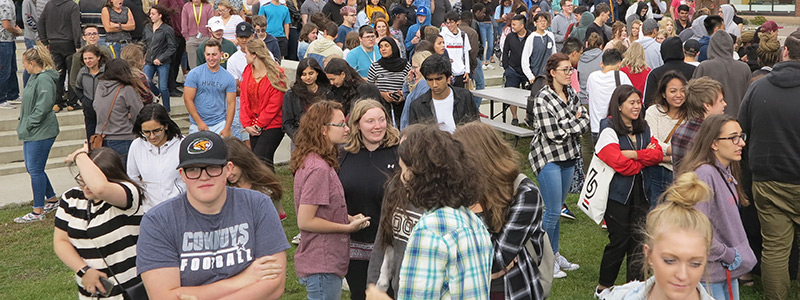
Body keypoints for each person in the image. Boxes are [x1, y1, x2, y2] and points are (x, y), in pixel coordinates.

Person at [137, 130, 289, 299]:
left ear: (228, 169)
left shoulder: (258, 205)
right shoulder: (158, 221)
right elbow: (163, 296)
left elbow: (274, 285)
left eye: (212, 168)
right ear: (182, 175)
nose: (203, 177)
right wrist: (242, 280)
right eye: (193, 170)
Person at [364, 123, 491, 300]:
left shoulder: (429, 230)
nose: (402, 177)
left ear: (422, 175)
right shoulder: (472, 221)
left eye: (405, 169)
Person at [738, 32, 800, 300]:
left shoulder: (757, 87)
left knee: (775, 248)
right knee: (775, 249)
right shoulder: (758, 88)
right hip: (774, 177)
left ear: (784, 52)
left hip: (768, 178)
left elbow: (741, 130)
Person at [455, 121, 548, 298]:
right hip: (467, 289)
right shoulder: (460, 189)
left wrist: (474, 210)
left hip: (510, 289)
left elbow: (496, 260)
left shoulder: (525, 194)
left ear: (478, 159)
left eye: (459, 158)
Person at [290, 100, 371, 298]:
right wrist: (347, 228)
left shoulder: (318, 161)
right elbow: (306, 220)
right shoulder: (318, 168)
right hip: (322, 264)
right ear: (323, 130)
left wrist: (349, 217)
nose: (346, 128)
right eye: (340, 124)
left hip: (324, 263)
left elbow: (322, 209)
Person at [598, 172, 715, 300]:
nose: (682, 275)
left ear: (706, 258)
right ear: (649, 255)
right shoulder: (619, 297)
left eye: (695, 263)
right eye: (670, 261)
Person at [593, 85, 663, 297]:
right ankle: (603, 288)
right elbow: (621, 165)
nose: (636, 106)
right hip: (617, 196)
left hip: (641, 193)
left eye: (638, 102)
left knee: (639, 240)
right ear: (619, 105)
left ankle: (634, 287)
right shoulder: (608, 128)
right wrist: (642, 157)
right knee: (619, 241)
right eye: (631, 102)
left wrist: (632, 154)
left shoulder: (644, 127)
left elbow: (657, 155)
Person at [677, 114, 755, 299]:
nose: (741, 143)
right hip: (711, 274)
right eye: (733, 138)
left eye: (741, 136)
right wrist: (727, 255)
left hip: (724, 271)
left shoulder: (724, 170)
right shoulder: (705, 175)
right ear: (714, 143)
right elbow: (695, 230)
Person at [54, 146, 145, 298]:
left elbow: (100, 188)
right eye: (82, 178)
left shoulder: (128, 195)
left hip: (128, 291)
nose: (86, 185)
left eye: (89, 178)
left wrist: (80, 155)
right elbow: (61, 241)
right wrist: (84, 270)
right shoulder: (72, 198)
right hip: (91, 291)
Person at [529, 53, 589, 279]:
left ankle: (554, 254)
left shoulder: (571, 93)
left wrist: (571, 123)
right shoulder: (543, 98)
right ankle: (542, 259)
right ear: (552, 73)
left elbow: (585, 120)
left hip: (569, 157)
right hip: (549, 158)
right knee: (552, 211)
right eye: (564, 70)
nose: (569, 73)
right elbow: (554, 134)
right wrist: (574, 122)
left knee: (558, 208)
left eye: (570, 69)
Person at [338, 99, 399, 300]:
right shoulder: (343, 155)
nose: (378, 126)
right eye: (370, 121)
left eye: (382, 120)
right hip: (353, 248)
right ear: (357, 124)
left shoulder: (399, 153)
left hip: (392, 248)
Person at [13, 46, 60, 223]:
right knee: (33, 168)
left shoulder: (44, 80)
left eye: (25, 64)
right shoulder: (34, 77)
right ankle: (52, 199)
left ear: (32, 63)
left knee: (35, 170)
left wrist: (30, 123)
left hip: (41, 131)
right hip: (32, 130)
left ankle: (38, 210)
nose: (24, 67)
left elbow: (43, 106)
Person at [126, 103, 185, 212]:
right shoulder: (136, 145)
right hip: (151, 211)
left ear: (166, 126)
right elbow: (132, 177)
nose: (152, 136)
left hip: (180, 208)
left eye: (157, 131)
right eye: (146, 132)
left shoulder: (182, 144)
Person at [240, 39, 288, 170]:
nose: (245, 56)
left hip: (272, 125)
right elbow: (243, 98)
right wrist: (247, 123)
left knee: (260, 160)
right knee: (263, 162)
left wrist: (258, 124)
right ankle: (268, 189)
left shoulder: (276, 74)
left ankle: (268, 188)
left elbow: (274, 105)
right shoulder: (247, 70)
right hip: (253, 123)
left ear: (254, 55)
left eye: (247, 53)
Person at [407, 54, 479, 132]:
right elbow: (415, 137)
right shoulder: (417, 106)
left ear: (448, 77)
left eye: (439, 79)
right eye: (430, 80)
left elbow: (476, 128)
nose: (434, 85)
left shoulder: (465, 97)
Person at [644, 71, 686, 202]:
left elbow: (691, 149)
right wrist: (676, 152)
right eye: (673, 91)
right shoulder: (653, 112)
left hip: (683, 174)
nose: (678, 95)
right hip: (657, 172)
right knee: (657, 211)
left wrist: (663, 156)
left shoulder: (691, 115)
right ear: (663, 93)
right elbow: (652, 141)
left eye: (682, 91)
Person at [94, 59, 146, 161]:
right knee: (125, 173)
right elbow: (139, 113)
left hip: (102, 137)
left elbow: (96, 106)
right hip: (123, 137)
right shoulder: (126, 89)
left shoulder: (100, 87)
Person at [224, 136, 285, 221]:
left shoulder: (264, 188)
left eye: (232, 167)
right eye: (224, 169)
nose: (228, 173)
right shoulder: (223, 188)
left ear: (242, 161)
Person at [184, 39, 237, 137]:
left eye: (214, 54)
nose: (211, 58)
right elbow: (188, 99)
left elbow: (231, 103)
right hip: (197, 123)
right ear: (204, 54)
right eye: (208, 55)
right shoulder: (194, 74)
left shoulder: (229, 78)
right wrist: (199, 122)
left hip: (219, 123)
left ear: (221, 54)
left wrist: (227, 127)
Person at [671, 76, 726, 169]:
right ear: (707, 105)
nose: (725, 104)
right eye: (721, 100)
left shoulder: (679, 131)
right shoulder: (710, 136)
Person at [693, 30, 751, 117]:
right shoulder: (744, 68)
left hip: (710, 121)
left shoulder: (704, 67)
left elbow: (694, 97)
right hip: (737, 121)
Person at [38, 0, 81, 111]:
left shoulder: (49, 5)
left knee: (58, 74)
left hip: (54, 43)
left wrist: (45, 41)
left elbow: (40, 23)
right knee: (73, 73)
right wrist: (78, 44)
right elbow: (76, 26)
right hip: (69, 43)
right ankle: (72, 102)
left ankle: (57, 102)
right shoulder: (73, 6)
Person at [587, 49, 632, 140]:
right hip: (615, 127)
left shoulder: (592, 77)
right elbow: (630, 95)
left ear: (602, 64)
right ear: (619, 64)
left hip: (596, 127)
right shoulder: (621, 76)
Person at [283, 58, 330, 140]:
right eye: (304, 74)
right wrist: (299, 138)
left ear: (317, 72)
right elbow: (287, 123)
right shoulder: (291, 94)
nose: (308, 77)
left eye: (311, 73)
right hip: (301, 138)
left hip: (325, 137)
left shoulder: (328, 91)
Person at [521, 12, 557, 120]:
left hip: (548, 74)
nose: (543, 23)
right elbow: (525, 58)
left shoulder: (550, 35)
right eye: (540, 21)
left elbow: (554, 54)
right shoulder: (532, 37)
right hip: (536, 75)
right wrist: (530, 75)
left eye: (544, 21)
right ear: (535, 23)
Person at [368, 37, 410, 128]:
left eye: (386, 46)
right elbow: (369, 89)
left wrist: (402, 96)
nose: (383, 49)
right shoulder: (375, 66)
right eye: (381, 47)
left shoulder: (405, 65)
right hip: (382, 105)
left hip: (401, 105)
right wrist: (383, 94)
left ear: (393, 47)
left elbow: (410, 84)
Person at [642, 36, 695, 107]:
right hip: (690, 113)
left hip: (661, 115)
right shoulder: (694, 70)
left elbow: (648, 102)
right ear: (682, 51)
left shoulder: (655, 73)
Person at [143, 4, 176, 112]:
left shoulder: (167, 29)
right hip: (149, 60)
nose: (150, 16)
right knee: (146, 81)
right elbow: (144, 43)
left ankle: (167, 109)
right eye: (150, 14)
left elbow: (172, 47)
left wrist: (161, 58)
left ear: (160, 15)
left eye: (153, 14)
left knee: (163, 87)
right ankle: (157, 94)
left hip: (163, 62)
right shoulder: (147, 28)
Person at [75, 45, 109, 142]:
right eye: (85, 59)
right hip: (89, 109)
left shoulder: (106, 72)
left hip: (104, 110)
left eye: (90, 58)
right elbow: (78, 88)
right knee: (91, 137)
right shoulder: (82, 72)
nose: (88, 61)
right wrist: (83, 100)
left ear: (98, 57)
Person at [399, 50, 431, 130]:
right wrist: (408, 82)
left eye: (415, 67)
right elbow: (406, 96)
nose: (412, 71)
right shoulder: (420, 84)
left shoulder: (424, 84)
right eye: (411, 67)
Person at [440, 11, 471, 88]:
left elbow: (466, 53)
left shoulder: (463, 35)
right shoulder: (442, 35)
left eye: (451, 22)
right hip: (448, 73)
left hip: (460, 72)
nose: (449, 25)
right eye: (447, 23)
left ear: (458, 22)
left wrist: (467, 71)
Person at [180, 0, 213, 70]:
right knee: (193, 65)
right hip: (191, 38)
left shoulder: (208, 7)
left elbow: (211, 23)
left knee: (207, 62)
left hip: (205, 38)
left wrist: (210, 36)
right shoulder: (186, 7)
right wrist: (187, 38)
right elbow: (184, 23)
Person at [577, 32, 604, 106]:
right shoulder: (604, 57)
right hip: (598, 99)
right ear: (601, 46)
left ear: (587, 44)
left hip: (582, 98)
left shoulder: (580, 58)